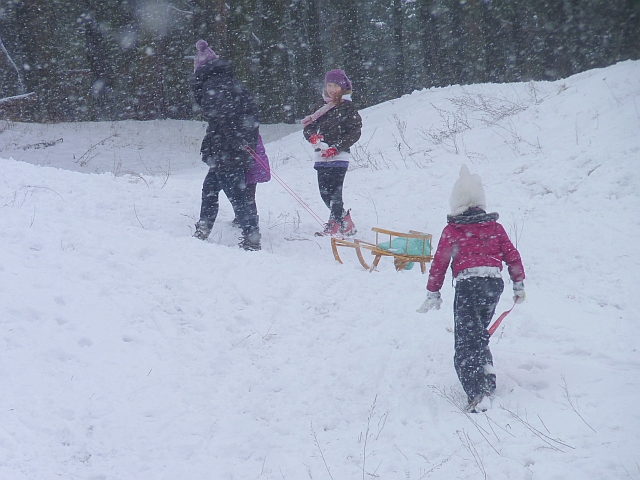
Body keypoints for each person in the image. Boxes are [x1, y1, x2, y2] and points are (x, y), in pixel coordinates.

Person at [417, 165, 526, 413]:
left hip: (468, 285)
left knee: (466, 341)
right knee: (477, 332)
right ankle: (486, 378)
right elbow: (512, 256)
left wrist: (433, 292)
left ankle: (477, 394)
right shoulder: (495, 228)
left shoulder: (453, 230)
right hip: (492, 284)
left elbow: (440, 263)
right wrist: (518, 284)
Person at [191, 39, 261, 251]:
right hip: (228, 148)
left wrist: (237, 141)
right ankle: (203, 229)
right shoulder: (229, 83)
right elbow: (247, 114)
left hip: (227, 150)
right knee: (210, 189)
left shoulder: (213, 86)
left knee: (237, 195)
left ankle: (251, 238)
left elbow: (225, 117)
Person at [302, 69, 362, 237]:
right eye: (329, 85)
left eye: (335, 85)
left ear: (342, 88)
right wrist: (312, 137)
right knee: (324, 192)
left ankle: (334, 225)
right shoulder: (321, 106)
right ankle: (345, 220)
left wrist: (336, 147)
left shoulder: (348, 107)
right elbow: (309, 126)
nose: (331, 89)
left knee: (335, 191)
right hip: (321, 155)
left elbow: (355, 132)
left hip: (339, 155)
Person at [232, 133, 270, 227]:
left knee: (246, 195)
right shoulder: (253, 133)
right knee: (248, 195)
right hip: (252, 166)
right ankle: (247, 217)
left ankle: (250, 218)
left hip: (250, 167)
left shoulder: (248, 134)